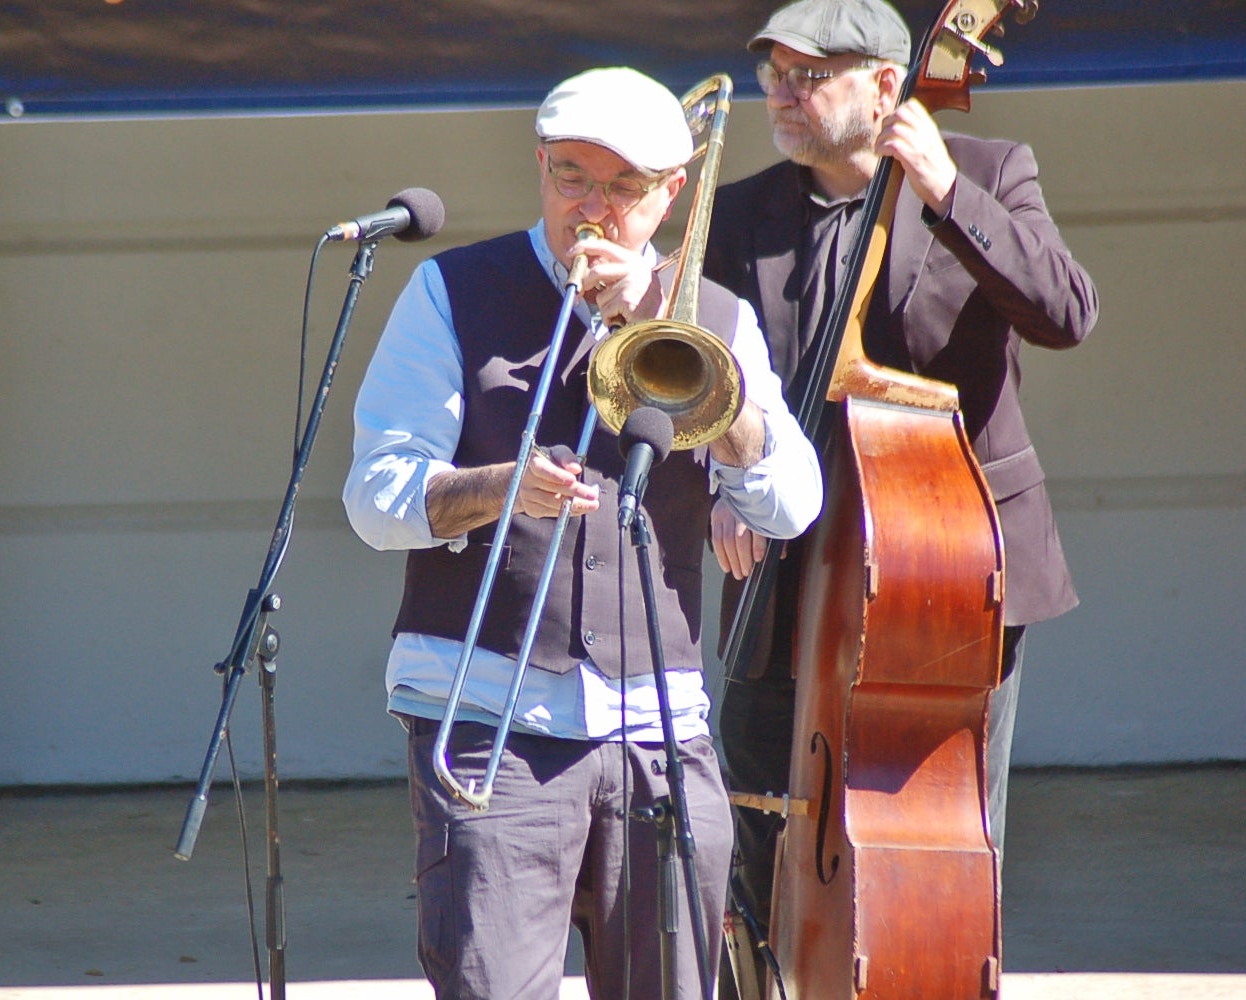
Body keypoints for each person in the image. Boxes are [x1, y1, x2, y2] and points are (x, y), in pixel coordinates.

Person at [343, 66, 823, 1000]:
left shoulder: (713, 316)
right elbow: (374, 498)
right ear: (539, 168)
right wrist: (498, 489)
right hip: (492, 726)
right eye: (572, 178)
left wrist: (698, 382)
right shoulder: (452, 292)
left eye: (625, 188)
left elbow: (793, 503)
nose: (594, 209)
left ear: (671, 194)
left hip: (659, 735)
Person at [701, 0, 1099, 990]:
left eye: (809, 75)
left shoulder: (993, 170)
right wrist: (716, 474)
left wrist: (946, 188)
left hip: (943, 573)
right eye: (771, 76)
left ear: (888, 85)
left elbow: (1065, 311)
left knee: (941, 841)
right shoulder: (742, 210)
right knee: (755, 835)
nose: (780, 97)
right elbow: (708, 378)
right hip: (787, 566)